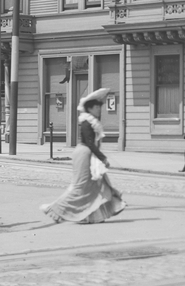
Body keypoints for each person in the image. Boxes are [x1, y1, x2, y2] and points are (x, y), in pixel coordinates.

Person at [42, 88, 126, 224]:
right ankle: (56, 210)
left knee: (97, 185)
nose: (99, 110)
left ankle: (92, 215)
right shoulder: (87, 123)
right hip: (84, 154)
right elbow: (90, 143)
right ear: (90, 109)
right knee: (82, 186)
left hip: (88, 153)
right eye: (97, 107)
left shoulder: (91, 121)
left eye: (100, 107)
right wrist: (103, 158)